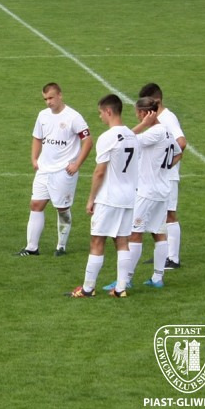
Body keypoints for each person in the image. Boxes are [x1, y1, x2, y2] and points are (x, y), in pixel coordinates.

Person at [102, 97, 182, 291]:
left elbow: (125, 140)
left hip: (147, 192)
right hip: (163, 190)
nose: (137, 116)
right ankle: (157, 278)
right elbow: (179, 152)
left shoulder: (153, 133)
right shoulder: (166, 131)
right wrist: (163, 168)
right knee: (158, 233)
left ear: (145, 113)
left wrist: (143, 125)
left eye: (138, 113)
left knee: (134, 234)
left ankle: (126, 280)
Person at [67, 94, 138, 298]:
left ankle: (88, 289)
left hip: (109, 198)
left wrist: (91, 199)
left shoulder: (107, 137)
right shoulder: (133, 136)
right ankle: (121, 289)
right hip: (128, 197)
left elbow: (99, 172)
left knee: (97, 241)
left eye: (100, 113)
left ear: (108, 111)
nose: (100, 117)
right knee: (122, 242)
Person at [19, 83, 93, 257]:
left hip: (64, 171)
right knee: (36, 204)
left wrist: (77, 164)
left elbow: (88, 141)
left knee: (62, 208)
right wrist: (34, 158)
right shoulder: (43, 115)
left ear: (60, 95)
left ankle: (61, 246)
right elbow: (37, 137)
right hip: (44, 169)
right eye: (45, 99)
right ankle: (31, 248)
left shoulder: (74, 117)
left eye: (51, 98)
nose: (48, 102)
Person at [138, 83, 187, 269]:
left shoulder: (167, 118)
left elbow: (181, 143)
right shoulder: (158, 120)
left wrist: (165, 164)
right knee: (160, 217)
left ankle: (173, 258)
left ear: (156, 101)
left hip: (167, 176)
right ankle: (164, 254)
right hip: (160, 177)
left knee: (170, 214)